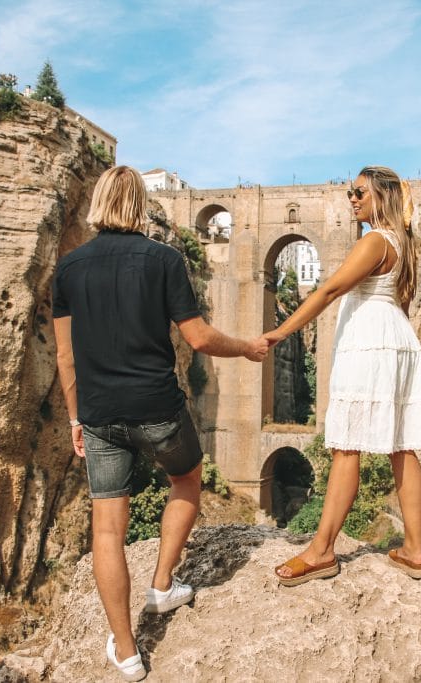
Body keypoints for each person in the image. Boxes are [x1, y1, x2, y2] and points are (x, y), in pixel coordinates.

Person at [52, 165, 269, 681]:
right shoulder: (163, 259)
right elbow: (197, 338)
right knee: (187, 479)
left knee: (107, 529)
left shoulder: (69, 268)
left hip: (99, 415)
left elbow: (64, 357)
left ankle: (126, 651)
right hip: (158, 409)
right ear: (139, 207)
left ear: (99, 203)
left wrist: (75, 417)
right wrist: (246, 348)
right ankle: (162, 584)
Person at [270, 165, 421, 587]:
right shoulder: (402, 242)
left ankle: (321, 551)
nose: (352, 199)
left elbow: (329, 290)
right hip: (396, 338)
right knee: (402, 446)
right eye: (349, 193)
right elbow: (404, 303)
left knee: (345, 447)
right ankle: (414, 550)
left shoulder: (376, 240)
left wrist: (280, 333)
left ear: (382, 197)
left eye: (360, 192)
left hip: (370, 345)